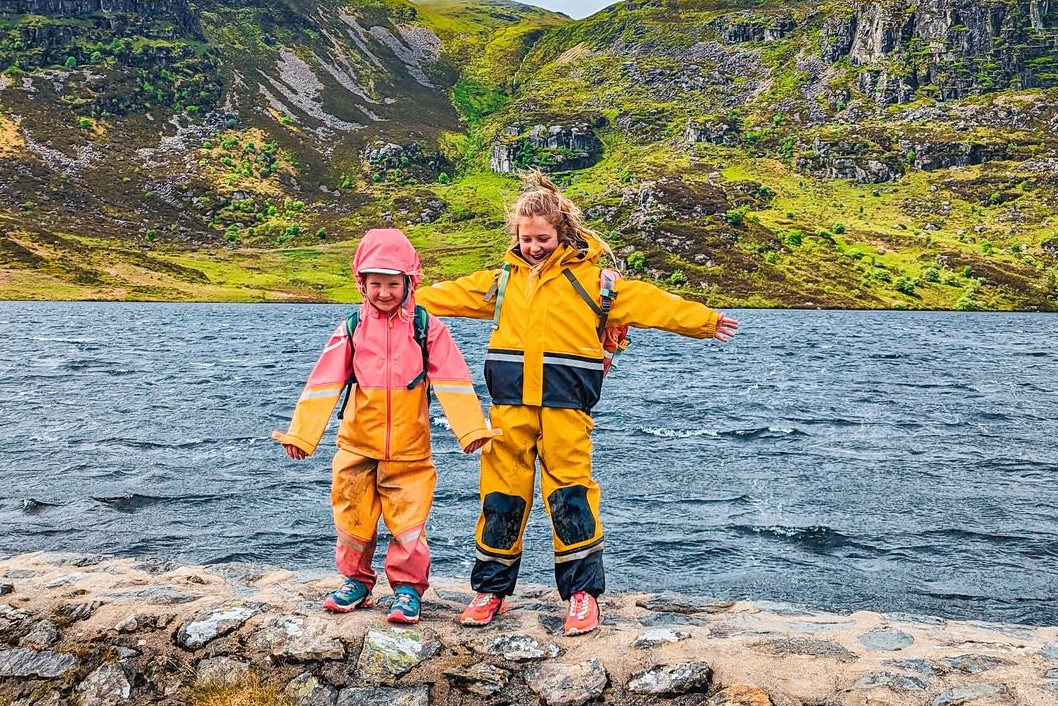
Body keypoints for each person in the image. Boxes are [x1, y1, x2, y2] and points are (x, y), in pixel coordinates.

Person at [418, 171, 739, 635]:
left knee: (570, 495)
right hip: (509, 408)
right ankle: (490, 592)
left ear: (562, 232)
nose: (534, 247)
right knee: (501, 498)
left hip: (568, 408)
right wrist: (402, 299)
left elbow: (654, 304)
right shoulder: (501, 282)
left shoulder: (598, 283)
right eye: (526, 239)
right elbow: (444, 295)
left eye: (542, 238)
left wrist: (705, 321)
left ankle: (583, 596)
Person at [274, 227, 494, 624]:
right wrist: (303, 435)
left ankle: (408, 590)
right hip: (356, 445)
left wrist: (471, 429)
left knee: (408, 523)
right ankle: (356, 582)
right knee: (351, 516)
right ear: (361, 283)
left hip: (410, 450)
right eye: (375, 283)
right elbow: (324, 382)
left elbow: (454, 380)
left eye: (393, 283)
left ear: (410, 282)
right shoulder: (352, 327)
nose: (384, 292)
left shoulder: (427, 328)